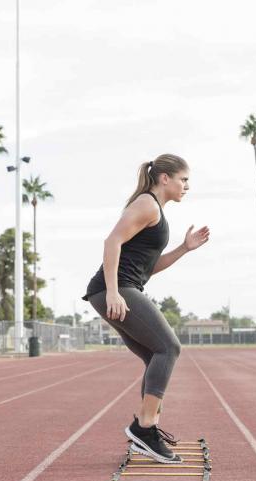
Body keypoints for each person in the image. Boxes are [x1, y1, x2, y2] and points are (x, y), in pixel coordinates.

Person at [82, 154, 210, 464]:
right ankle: (144, 427)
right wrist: (113, 292)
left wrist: (183, 248)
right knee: (169, 348)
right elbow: (111, 242)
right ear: (164, 178)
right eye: (184, 180)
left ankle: (144, 430)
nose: (187, 186)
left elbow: (147, 269)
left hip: (123, 286)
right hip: (114, 289)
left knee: (156, 354)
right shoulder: (147, 204)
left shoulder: (155, 211)